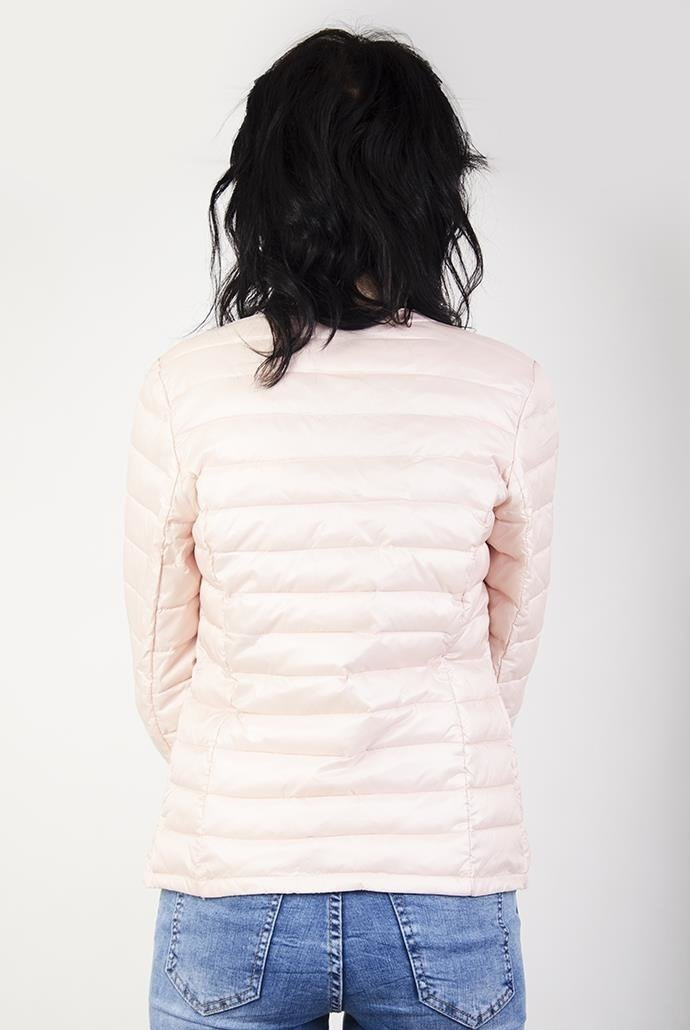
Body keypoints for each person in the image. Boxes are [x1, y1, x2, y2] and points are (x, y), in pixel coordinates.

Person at [123, 26, 559, 1030]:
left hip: (234, 870)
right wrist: (421, 749)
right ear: (431, 186)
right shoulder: (507, 389)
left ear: (263, 184)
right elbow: (508, 645)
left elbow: (160, 661)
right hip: (442, 873)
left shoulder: (185, 387)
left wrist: (250, 766)